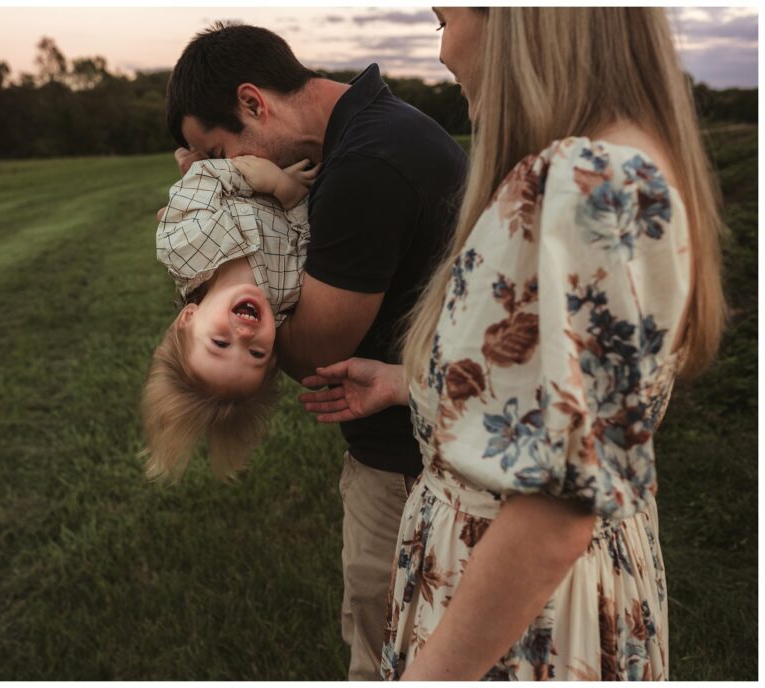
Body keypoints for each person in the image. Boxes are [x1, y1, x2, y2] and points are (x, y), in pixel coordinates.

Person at [299, 7, 725, 680]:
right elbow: (565, 399)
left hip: (516, 625)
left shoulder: (590, 181)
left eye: (447, 17)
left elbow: (554, 512)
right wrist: (412, 380)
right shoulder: (601, 165)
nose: (443, 51)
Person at [163, 22, 468, 679]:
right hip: (422, 428)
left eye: (218, 151)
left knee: (386, 655)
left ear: (253, 103)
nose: (218, 171)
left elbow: (312, 352)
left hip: (412, 463)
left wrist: (230, 290)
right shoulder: (371, 133)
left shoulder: (367, 163)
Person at [141, 154, 318, 482]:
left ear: (189, 317)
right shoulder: (289, 291)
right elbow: (305, 233)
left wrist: (255, 176)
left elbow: (203, 177)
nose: (245, 337)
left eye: (220, 343)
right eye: (256, 355)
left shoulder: (185, 247)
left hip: (229, 158)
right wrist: (285, 191)